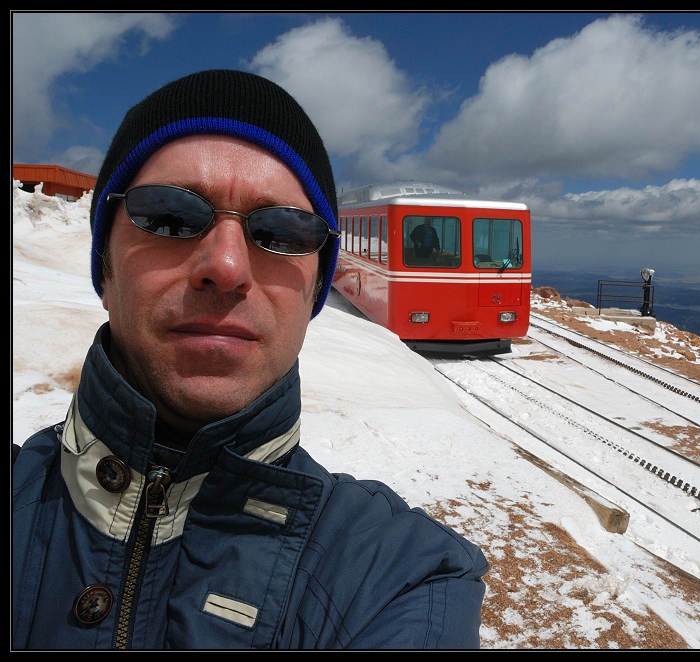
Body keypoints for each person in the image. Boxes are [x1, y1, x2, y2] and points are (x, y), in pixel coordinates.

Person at [12, 69, 489, 649]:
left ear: (314, 290)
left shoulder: (401, 580)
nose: (227, 266)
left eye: (284, 231)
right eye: (169, 215)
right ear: (104, 268)